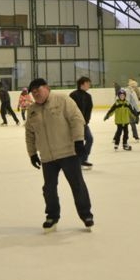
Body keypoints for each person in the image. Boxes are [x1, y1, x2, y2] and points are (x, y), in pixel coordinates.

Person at [25, 77, 93, 232]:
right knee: (49, 189)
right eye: (33, 92)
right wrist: (32, 154)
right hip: (48, 157)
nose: (35, 94)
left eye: (38, 90)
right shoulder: (32, 110)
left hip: (68, 152)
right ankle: (52, 216)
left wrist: (78, 141)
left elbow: (76, 119)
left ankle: (86, 214)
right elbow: (29, 133)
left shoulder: (62, 100)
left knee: (77, 185)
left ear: (46, 88)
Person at [69, 77, 94, 169]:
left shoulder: (88, 96)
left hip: (84, 124)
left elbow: (89, 111)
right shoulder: (73, 95)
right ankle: (73, 161)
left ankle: (83, 159)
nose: (89, 85)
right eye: (88, 83)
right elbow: (69, 109)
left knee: (89, 139)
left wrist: (85, 122)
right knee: (75, 143)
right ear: (82, 84)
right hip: (73, 124)